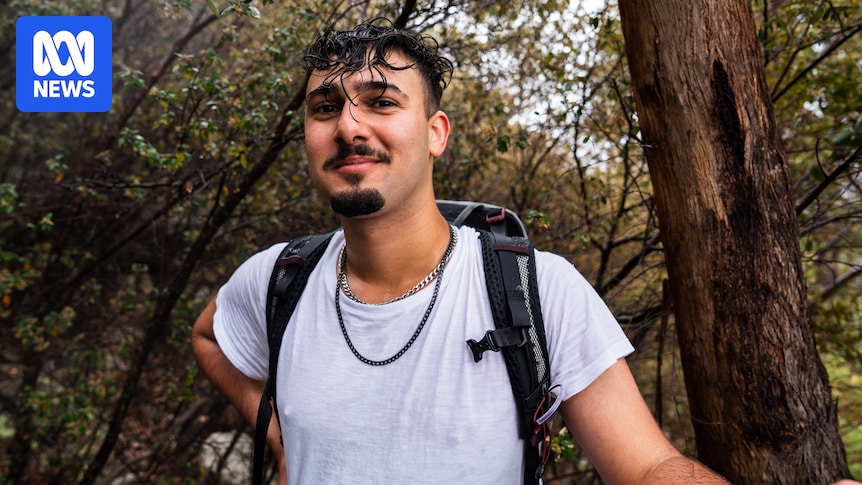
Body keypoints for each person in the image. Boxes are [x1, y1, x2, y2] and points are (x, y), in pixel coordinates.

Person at [191, 18, 729, 484]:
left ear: (435, 134)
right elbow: (209, 335)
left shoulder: (538, 290)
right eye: (325, 108)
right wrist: (282, 435)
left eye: (380, 102)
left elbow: (645, 467)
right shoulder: (278, 277)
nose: (349, 126)